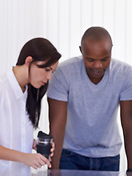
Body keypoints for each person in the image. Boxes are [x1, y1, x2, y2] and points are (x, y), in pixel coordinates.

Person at [0, 38, 61, 175]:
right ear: (28, 61)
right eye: (47, 69)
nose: (49, 77)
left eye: (52, 71)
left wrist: (33, 143)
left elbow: (8, 136)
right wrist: (24, 157)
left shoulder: (29, 92)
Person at [48, 26, 132, 172]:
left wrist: (131, 169)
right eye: (91, 60)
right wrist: (53, 170)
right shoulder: (63, 73)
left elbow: (129, 124)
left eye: (105, 59)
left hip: (109, 156)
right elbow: (57, 124)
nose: (98, 66)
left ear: (111, 49)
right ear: (81, 51)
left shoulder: (125, 74)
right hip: (70, 155)